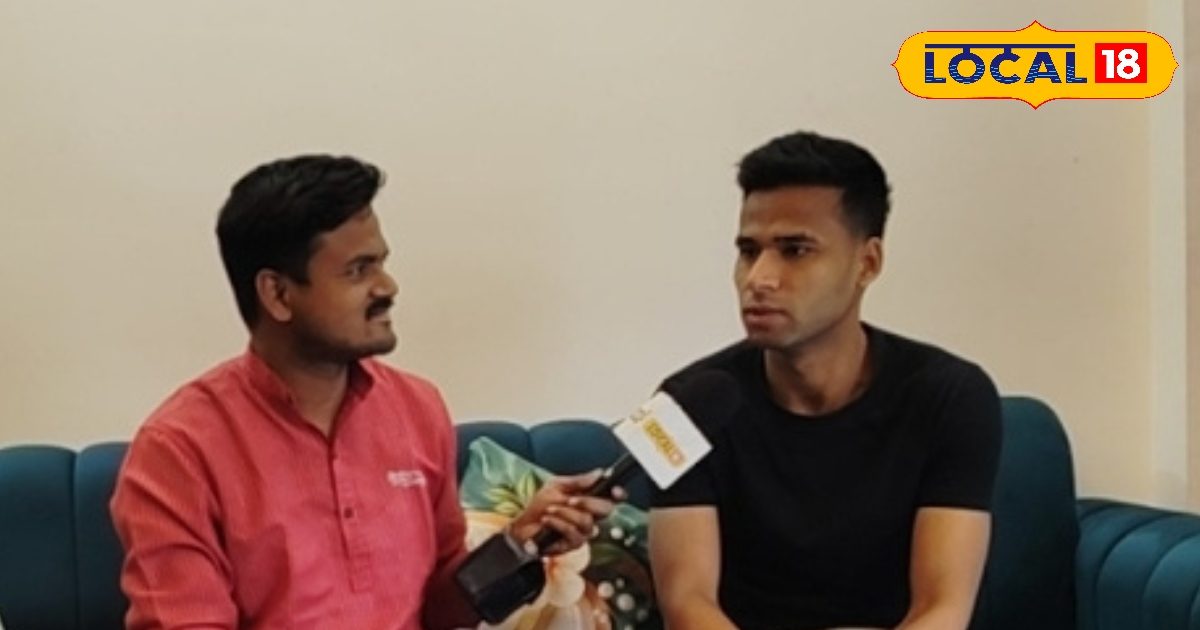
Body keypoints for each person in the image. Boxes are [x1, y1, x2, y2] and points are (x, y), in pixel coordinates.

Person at [110, 155, 617, 630]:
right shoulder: (178, 452)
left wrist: (518, 545)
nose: (387, 286)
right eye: (358, 270)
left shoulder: (417, 409)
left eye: (381, 263)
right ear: (278, 294)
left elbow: (441, 609)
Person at [648, 131, 1002, 630]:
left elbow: (941, 610)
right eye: (748, 251)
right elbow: (687, 605)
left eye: (795, 250)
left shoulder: (953, 397)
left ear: (867, 262)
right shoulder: (680, 406)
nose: (759, 278)